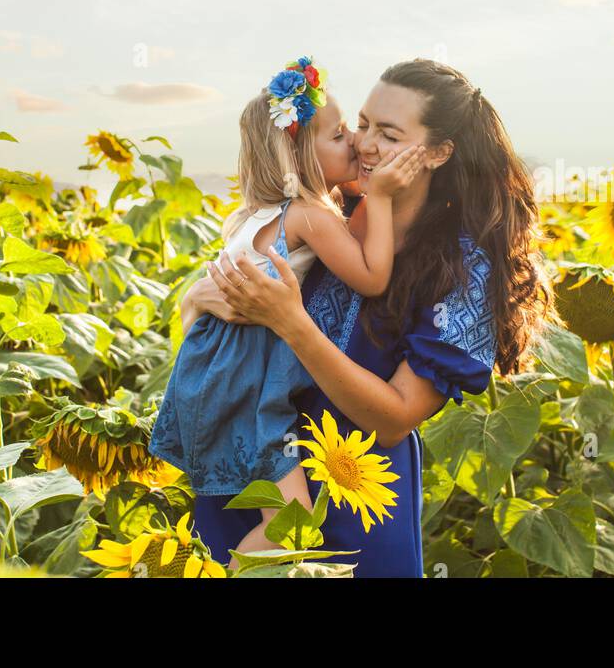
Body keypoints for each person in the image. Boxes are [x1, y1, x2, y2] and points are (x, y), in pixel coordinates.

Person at [185, 59, 553, 577]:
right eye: (361, 124)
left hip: (359, 497)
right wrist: (208, 296)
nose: (364, 143)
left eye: (389, 133)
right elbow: (228, 284)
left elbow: (395, 418)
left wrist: (293, 323)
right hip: (252, 466)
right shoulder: (326, 209)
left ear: (440, 152)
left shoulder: (465, 266)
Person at [148, 55, 424, 560]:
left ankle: (215, 566)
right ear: (300, 158)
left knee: (267, 518)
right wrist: (380, 198)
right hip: (249, 391)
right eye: (341, 134)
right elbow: (372, 276)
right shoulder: (311, 216)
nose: (357, 144)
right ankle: (225, 573)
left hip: (212, 379)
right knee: (293, 526)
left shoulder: (253, 215)